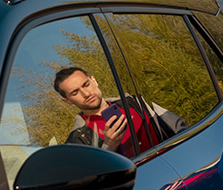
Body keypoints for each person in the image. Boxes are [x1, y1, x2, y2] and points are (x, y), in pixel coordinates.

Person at [52, 67, 186, 157]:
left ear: (94, 80)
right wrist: (109, 146)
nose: (86, 93)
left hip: (177, 168)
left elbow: (178, 126)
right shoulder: (76, 142)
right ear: (67, 101)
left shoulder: (133, 101)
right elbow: (95, 180)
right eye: (75, 92)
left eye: (86, 84)